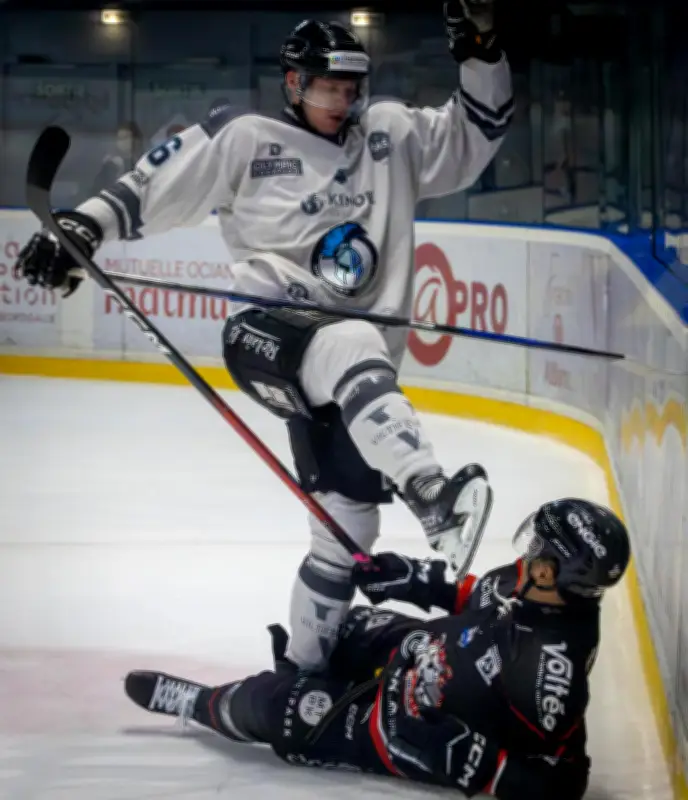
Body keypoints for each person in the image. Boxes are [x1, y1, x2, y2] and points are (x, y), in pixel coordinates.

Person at [13, 2, 513, 671]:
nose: (343, 101)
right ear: (294, 83)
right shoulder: (245, 138)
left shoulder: (389, 134)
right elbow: (150, 186)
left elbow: (477, 132)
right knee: (352, 343)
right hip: (268, 335)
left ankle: (302, 673)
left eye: (351, 88)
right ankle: (432, 495)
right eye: (328, 88)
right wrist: (83, 228)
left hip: (352, 375)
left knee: (347, 528)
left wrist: (480, 49)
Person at [122, 498, 631, 799]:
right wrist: (413, 577)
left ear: (550, 570)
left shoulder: (551, 672)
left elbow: (564, 783)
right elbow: (476, 595)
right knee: (341, 625)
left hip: (397, 725)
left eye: (537, 548)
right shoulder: (538, 583)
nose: (527, 553)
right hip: (418, 647)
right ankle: (302, 678)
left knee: (274, 707)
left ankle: (199, 702)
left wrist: (467, 759)